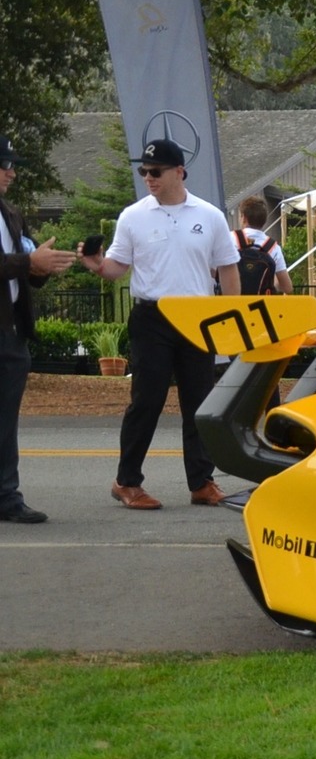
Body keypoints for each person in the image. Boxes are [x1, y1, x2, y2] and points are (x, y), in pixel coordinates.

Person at [77, 138, 240, 510]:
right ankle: (127, 481)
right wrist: (98, 265)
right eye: (144, 172)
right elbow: (118, 267)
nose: (148, 178)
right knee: (147, 400)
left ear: (179, 172)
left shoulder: (210, 215)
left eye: (156, 172)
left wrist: (231, 318)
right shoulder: (133, 216)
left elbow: (228, 269)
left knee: (199, 403)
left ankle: (201, 482)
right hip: (152, 316)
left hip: (197, 317)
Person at [1, 135, 77, 523]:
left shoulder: (11, 213)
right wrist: (28, 260)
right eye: (4, 164)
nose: (11, 172)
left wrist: (42, 267)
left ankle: (6, 497)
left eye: (12, 165)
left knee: (6, 420)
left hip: (11, 331)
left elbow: (24, 268)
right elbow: (15, 261)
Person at [234, 195, 292, 295]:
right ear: (264, 220)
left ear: (244, 218)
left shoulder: (230, 239)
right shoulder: (273, 247)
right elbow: (287, 287)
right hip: (260, 306)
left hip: (231, 305)